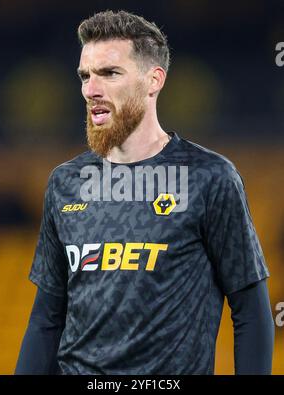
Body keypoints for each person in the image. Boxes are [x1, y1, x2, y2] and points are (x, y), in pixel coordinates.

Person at [15, 10, 274, 375]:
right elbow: (46, 317)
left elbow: (250, 310)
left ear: (154, 80)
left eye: (109, 73)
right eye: (85, 76)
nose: (91, 89)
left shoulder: (209, 177)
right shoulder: (65, 182)